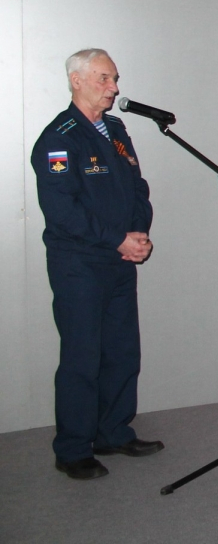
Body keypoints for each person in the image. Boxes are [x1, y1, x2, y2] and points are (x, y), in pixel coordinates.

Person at [31, 49, 160, 480]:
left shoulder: (116, 130)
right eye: (104, 78)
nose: (114, 87)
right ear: (77, 80)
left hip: (119, 260)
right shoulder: (59, 138)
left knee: (122, 352)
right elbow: (63, 212)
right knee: (82, 358)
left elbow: (137, 188)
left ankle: (113, 432)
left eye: (115, 78)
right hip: (79, 265)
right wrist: (117, 239)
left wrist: (137, 234)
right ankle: (72, 449)